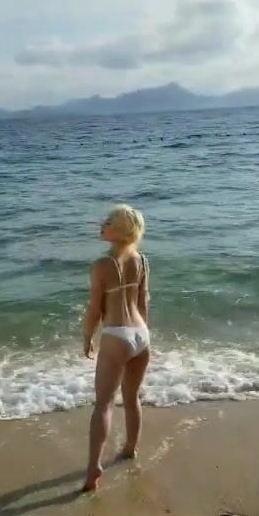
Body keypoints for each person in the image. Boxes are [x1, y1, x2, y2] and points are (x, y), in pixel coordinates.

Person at [82, 205, 150, 491]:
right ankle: (131, 447)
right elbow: (143, 303)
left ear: (120, 230)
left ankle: (93, 467)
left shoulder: (102, 265)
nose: (102, 223)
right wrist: (143, 339)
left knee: (103, 404)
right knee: (132, 397)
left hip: (115, 334)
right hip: (141, 335)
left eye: (108, 221)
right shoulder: (142, 261)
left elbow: (95, 309)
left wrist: (87, 337)